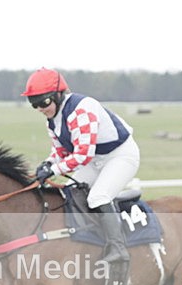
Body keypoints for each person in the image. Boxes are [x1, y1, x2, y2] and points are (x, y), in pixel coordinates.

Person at [22, 67, 140, 267]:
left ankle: (118, 248)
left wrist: (55, 170)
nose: (41, 108)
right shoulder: (52, 122)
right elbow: (60, 153)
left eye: (44, 102)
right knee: (71, 193)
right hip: (96, 160)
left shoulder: (82, 108)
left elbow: (83, 155)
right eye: (34, 104)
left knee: (98, 197)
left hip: (120, 156)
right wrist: (47, 164)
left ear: (59, 95)